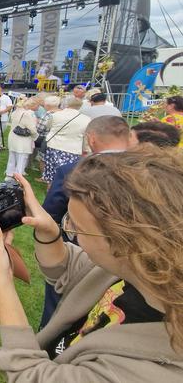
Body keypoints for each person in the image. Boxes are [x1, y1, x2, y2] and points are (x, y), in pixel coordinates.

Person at [0, 148, 183, 381]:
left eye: (76, 228)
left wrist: (2, 277)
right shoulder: (146, 267)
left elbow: (28, 374)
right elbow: (70, 269)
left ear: (123, 244)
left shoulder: (154, 369)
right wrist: (49, 231)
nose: (70, 233)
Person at [40, 115, 130, 328]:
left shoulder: (75, 170)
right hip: (135, 266)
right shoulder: (153, 170)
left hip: (83, 254)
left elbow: (51, 212)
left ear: (91, 139)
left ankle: (51, 335)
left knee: (61, 299)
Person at [42, 98, 90, 184]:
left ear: (66, 104)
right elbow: (86, 136)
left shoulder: (56, 115)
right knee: (68, 174)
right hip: (74, 149)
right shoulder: (86, 119)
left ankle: (50, 191)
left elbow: (48, 126)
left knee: (52, 176)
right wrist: (86, 149)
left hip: (54, 146)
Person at [5, 97, 38, 178]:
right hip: (22, 140)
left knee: (12, 157)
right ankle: (18, 178)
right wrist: (35, 136)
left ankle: (9, 175)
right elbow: (32, 129)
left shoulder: (15, 112)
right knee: (21, 159)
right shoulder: (28, 114)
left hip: (13, 137)